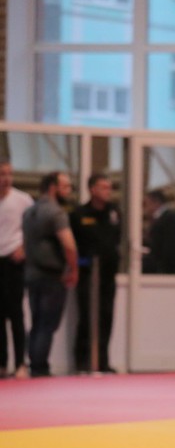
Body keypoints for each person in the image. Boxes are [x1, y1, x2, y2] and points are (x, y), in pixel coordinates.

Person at [22, 171, 78, 378]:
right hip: (51, 275)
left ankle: (33, 363)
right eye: (66, 187)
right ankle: (40, 367)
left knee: (37, 322)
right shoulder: (56, 213)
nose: (69, 191)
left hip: (31, 273)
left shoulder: (29, 212)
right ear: (53, 187)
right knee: (47, 324)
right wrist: (73, 268)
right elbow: (69, 245)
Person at [70, 173, 122, 373]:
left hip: (108, 275)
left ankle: (102, 361)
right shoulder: (79, 214)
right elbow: (75, 246)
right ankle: (82, 362)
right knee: (87, 317)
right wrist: (79, 265)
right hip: (87, 274)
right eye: (103, 187)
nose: (108, 191)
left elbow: (116, 239)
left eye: (109, 187)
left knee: (106, 317)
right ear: (92, 189)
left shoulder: (114, 212)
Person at [0, 160, 35, 379]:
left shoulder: (22, 200)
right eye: (2, 174)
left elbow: (34, 228)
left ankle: (21, 362)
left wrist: (24, 247)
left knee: (16, 313)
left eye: (9, 174)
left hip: (14, 260)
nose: (6, 178)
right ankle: (2, 363)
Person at [141, 190, 175, 274]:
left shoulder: (169, 218)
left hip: (166, 271)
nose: (145, 209)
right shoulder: (159, 219)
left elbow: (169, 249)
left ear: (155, 203)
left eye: (146, 204)